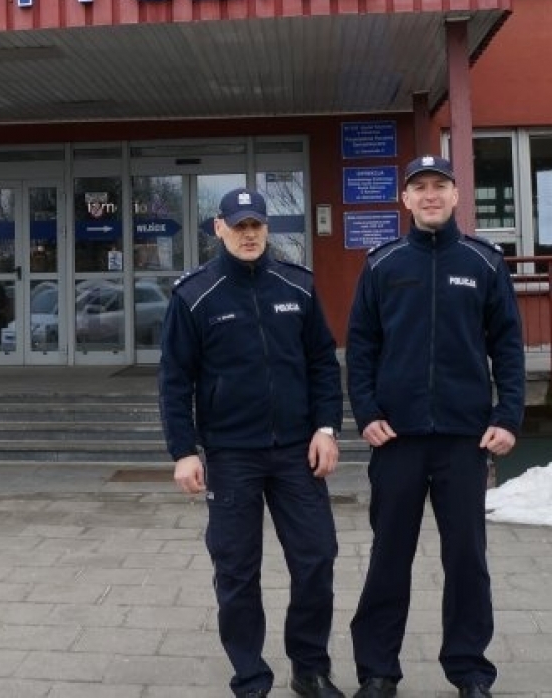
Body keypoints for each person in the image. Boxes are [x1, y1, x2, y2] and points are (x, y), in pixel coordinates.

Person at [345, 156, 524, 698]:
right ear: (404, 199)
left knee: (467, 559)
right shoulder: (382, 265)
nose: (429, 195)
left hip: (464, 440)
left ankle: (469, 670)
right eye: (418, 187)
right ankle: (378, 671)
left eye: (438, 186)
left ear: (454, 195)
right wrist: (368, 412)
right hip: (396, 439)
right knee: (388, 559)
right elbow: (361, 347)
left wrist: (507, 415)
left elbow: (508, 347)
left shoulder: (484, 263)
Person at [158, 188, 346, 698]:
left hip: (295, 452)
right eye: (237, 225)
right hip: (231, 454)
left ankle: (309, 668)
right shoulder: (195, 295)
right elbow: (175, 380)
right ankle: (250, 675)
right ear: (217, 227)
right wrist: (182, 451)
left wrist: (327, 428)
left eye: (256, 225)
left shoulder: (298, 287)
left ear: (267, 229)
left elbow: (323, 366)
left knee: (316, 558)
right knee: (237, 570)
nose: (247, 234)